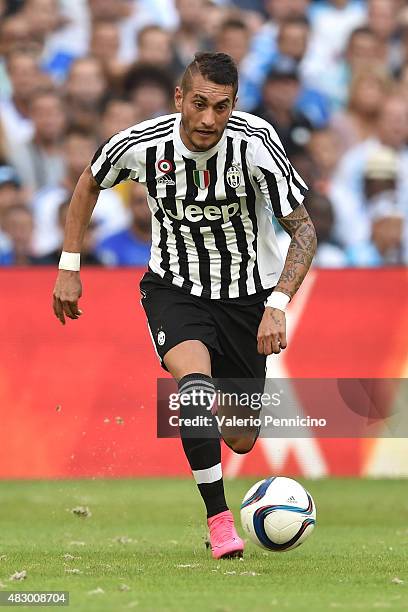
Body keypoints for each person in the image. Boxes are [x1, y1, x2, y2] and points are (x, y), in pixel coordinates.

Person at [52, 52, 316, 560]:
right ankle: (219, 521)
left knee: (240, 438)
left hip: (245, 298)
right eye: (198, 104)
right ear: (179, 99)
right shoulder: (139, 145)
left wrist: (278, 304)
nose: (208, 119)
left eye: (221, 107)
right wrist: (69, 264)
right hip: (175, 289)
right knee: (193, 391)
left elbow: (303, 229)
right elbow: (88, 183)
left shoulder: (255, 145)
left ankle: (209, 422)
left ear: (234, 105)